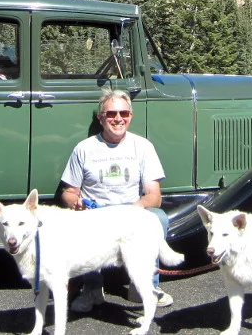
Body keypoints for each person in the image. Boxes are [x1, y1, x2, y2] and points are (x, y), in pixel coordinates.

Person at [61, 89, 174, 311]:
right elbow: (68, 191)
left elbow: (154, 196)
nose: (118, 118)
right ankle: (92, 290)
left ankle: (145, 287)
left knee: (158, 218)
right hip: (96, 214)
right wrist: (76, 203)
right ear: (100, 117)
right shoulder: (84, 149)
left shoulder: (143, 147)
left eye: (124, 113)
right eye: (111, 113)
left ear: (131, 116)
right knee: (80, 222)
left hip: (131, 212)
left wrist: (134, 209)